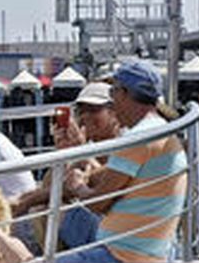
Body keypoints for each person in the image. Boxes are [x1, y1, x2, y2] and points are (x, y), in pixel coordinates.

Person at [57, 60, 187, 263]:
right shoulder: (158, 130)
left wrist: (77, 187)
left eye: (113, 93)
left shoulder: (137, 138)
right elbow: (113, 180)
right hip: (144, 251)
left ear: (124, 93)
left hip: (123, 258)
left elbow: (99, 203)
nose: (112, 103)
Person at [9, 81, 120, 253]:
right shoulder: (88, 148)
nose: (86, 117)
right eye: (81, 111)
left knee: (37, 212)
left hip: (110, 229)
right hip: (84, 225)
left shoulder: (125, 146)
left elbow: (101, 186)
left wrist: (25, 202)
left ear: (114, 112)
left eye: (94, 110)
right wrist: (61, 155)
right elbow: (51, 186)